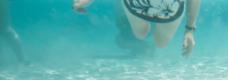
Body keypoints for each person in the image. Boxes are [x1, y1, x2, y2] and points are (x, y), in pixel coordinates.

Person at [73, 0, 201, 57]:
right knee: (140, 34)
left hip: (169, 10)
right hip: (135, 5)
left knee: (161, 43)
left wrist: (190, 30)